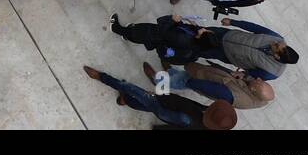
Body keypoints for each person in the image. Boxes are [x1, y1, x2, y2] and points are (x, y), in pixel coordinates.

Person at [83, 65, 237, 130]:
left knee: (131, 88)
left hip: (164, 107)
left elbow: (168, 115)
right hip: (168, 105)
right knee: (146, 106)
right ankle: (127, 100)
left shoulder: (190, 121)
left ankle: (101, 77)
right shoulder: (210, 117)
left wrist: (159, 97)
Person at [192, 17, 298, 81]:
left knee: (199, 50)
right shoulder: (277, 38)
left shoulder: (272, 72)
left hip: (226, 54)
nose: (275, 42)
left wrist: (243, 75)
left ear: (277, 56)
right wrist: (233, 22)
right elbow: (255, 28)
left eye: (276, 46)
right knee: (199, 30)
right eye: (278, 43)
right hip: (227, 34)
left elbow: (252, 76)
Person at [142, 61, 275, 110]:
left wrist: (192, 82)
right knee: (183, 75)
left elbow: (207, 87)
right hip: (216, 78)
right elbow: (250, 84)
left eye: (259, 82)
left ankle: (159, 81)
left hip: (202, 80)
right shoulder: (260, 94)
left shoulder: (232, 96)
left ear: (253, 90)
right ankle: (171, 72)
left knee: (183, 80)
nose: (258, 79)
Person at [109, 13, 209, 65]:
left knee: (138, 33)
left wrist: (172, 19)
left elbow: (164, 31)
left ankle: (116, 28)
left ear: (200, 38)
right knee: (139, 34)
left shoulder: (182, 41)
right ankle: (128, 34)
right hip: (156, 39)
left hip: (154, 36)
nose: (203, 29)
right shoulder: (195, 48)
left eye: (204, 32)